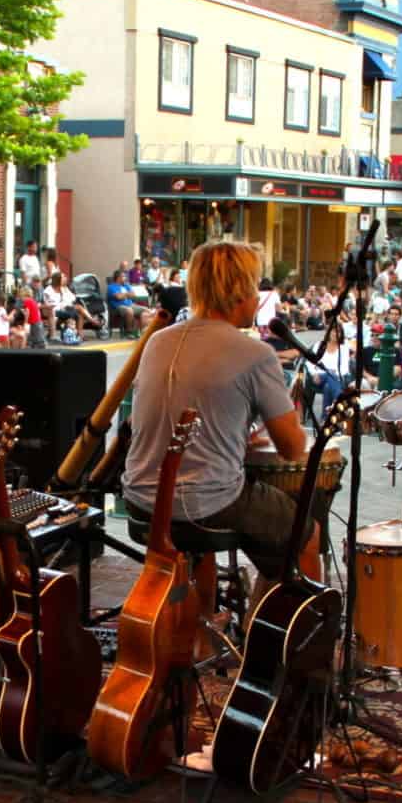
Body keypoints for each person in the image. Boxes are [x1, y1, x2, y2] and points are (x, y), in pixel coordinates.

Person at [121, 240, 317, 585]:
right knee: (306, 533)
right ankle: (280, 632)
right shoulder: (255, 353)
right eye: (255, 287)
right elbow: (292, 448)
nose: (258, 298)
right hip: (204, 506)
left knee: (202, 542)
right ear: (239, 291)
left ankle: (204, 626)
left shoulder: (157, 342)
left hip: (140, 501)